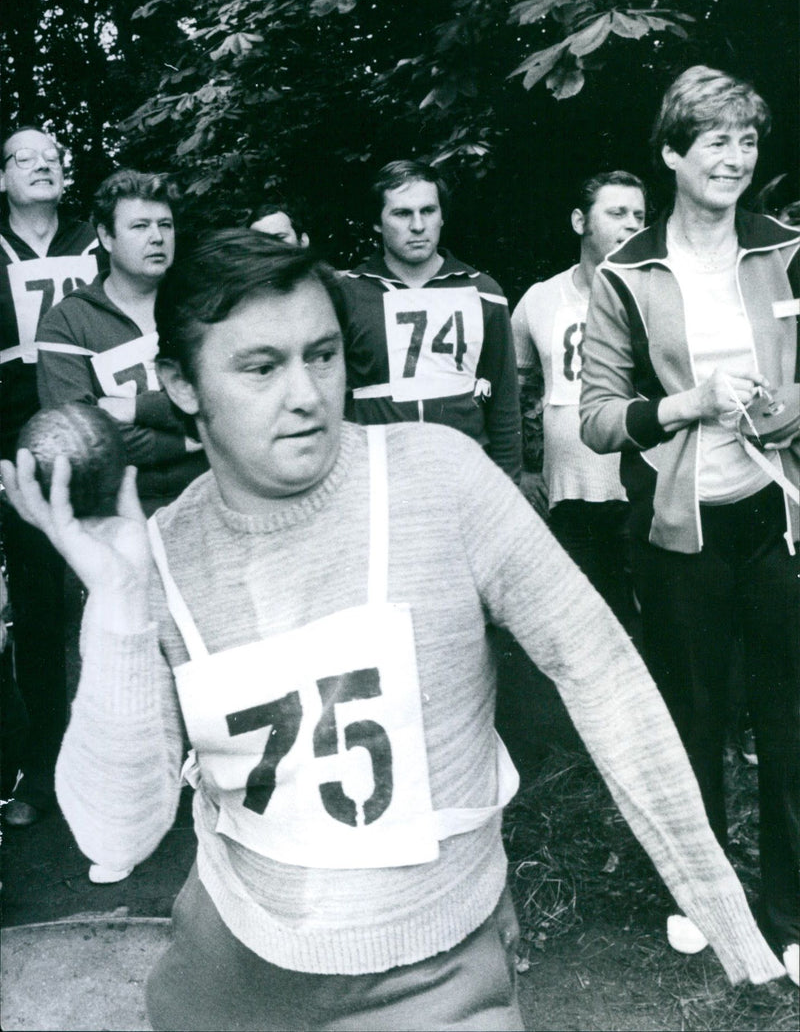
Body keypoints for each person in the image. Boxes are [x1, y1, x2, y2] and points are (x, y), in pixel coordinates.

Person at [2, 229, 787, 1030]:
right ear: (182, 382)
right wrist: (122, 606)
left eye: (324, 354)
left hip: (438, 976)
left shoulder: (443, 477)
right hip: (233, 967)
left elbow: (604, 674)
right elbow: (117, 829)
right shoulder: (164, 556)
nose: (307, 393)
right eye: (261, 366)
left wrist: (720, 907)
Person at [580, 66, 799, 984]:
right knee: (694, 720)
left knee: (789, 721)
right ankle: (700, 898)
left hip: (776, 521)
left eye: (747, 140)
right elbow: (596, 417)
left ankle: (790, 912)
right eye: (716, 140)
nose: (736, 158)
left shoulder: (789, 247)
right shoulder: (626, 274)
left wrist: (783, 411)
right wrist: (691, 404)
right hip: (680, 534)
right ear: (673, 152)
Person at [0, 125, 102, 828]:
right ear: (1, 175)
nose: (42, 165)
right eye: (24, 158)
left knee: (113, 588)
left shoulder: (98, 242)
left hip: (97, 427)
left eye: (53, 157)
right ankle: (45, 761)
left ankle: (127, 752)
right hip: (14, 435)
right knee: (37, 601)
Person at [511, 171, 646, 631]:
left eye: (639, 216)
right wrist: (526, 469)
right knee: (583, 630)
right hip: (567, 497)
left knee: (655, 630)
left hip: (644, 492)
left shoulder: (656, 297)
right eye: (616, 213)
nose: (630, 225)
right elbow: (518, 390)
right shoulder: (539, 299)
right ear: (578, 221)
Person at [36, 169, 207, 519]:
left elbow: (228, 400)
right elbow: (78, 439)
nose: (157, 237)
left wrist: (132, 410)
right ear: (106, 236)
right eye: (140, 226)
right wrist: (183, 439)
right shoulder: (67, 323)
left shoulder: (206, 303)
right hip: (119, 517)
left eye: (166, 225)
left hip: (211, 499)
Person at [341, 160, 522, 483]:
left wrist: (508, 487)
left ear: (442, 216)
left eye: (428, 211)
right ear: (377, 223)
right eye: (401, 213)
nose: (417, 225)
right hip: (377, 481)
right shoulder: (347, 296)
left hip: (465, 480)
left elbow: (504, 404)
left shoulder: (484, 293)